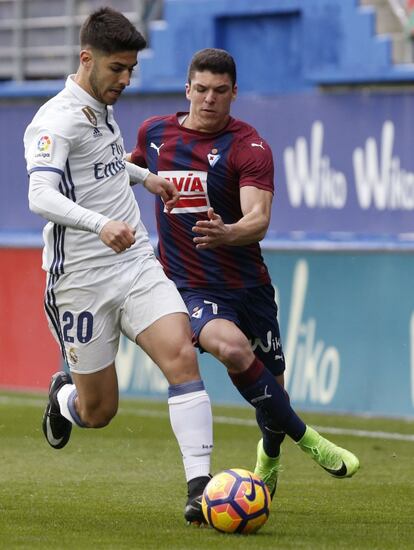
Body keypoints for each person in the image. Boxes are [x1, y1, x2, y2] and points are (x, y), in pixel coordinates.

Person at [128, 48, 360, 508]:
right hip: (189, 286)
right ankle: (309, 438)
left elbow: (259, 218)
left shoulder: (248, 146)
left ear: (234, 93)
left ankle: (270, 455)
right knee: (231, 347)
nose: (208, 99)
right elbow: (129, 171)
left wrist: (227, 232)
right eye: (201, 90)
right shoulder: (155, 134)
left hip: (248, 285)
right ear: (187, 89)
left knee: (272, 389)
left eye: (219, 91)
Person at [23, 8, 213, 525]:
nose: (126, 80)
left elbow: (101, 165)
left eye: (132, 69)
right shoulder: (54, 121)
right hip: (80, 281)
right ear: (87, 59)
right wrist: (98, 224)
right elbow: (40, 194)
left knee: (182, 356)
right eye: (118, 69)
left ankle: (201, 490)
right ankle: (63, 396)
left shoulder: (100, 107)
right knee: (99, 412)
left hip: (133, 263)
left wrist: (142, 178)